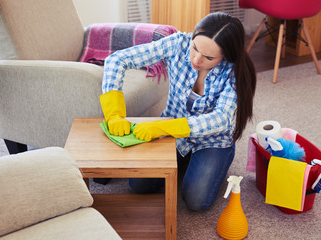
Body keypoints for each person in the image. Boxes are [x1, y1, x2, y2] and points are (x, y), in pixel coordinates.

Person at [99, 12, 256, 211]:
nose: (196, 59)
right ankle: (183, 159)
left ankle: (212, 160)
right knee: (138, 185)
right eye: (195, 48)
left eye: (208, 57)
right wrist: (114, 113)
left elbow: (222, 119)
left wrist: (167, 126)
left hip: (212, 140)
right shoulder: (177, 43)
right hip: (172, 132)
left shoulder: (234, 71)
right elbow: (117, 60)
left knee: (196, 201)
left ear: (226, 56)